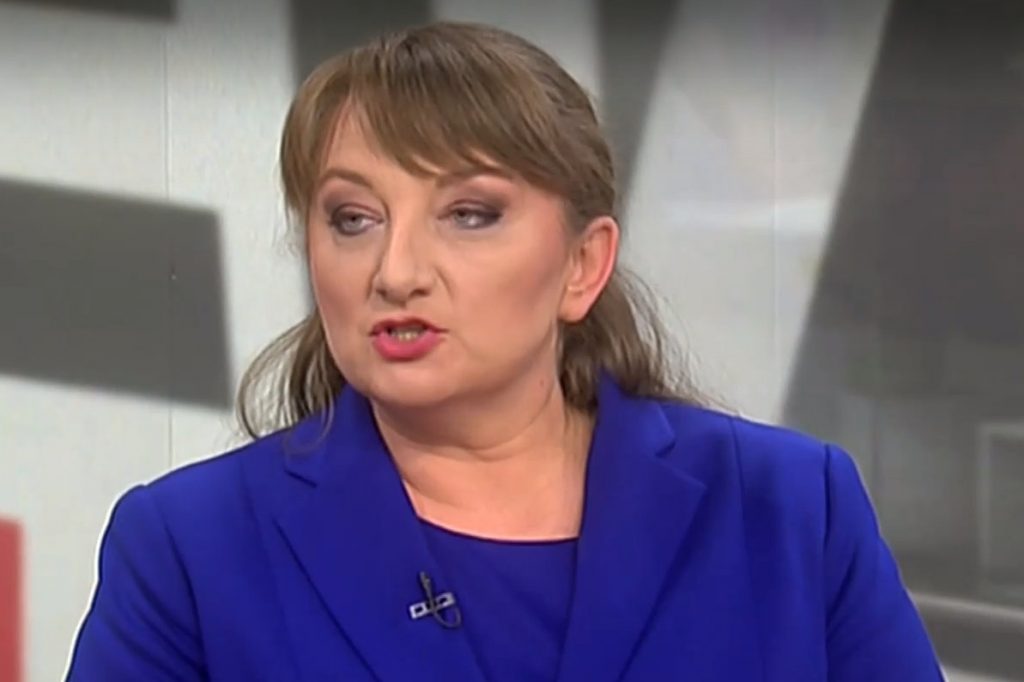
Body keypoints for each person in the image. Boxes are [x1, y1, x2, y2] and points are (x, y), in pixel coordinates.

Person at [66, 20, 942, 682]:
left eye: (469, 214)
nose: (395, 272)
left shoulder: (792, 512)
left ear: (582, 264)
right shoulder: (188, 550)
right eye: (353, 219)